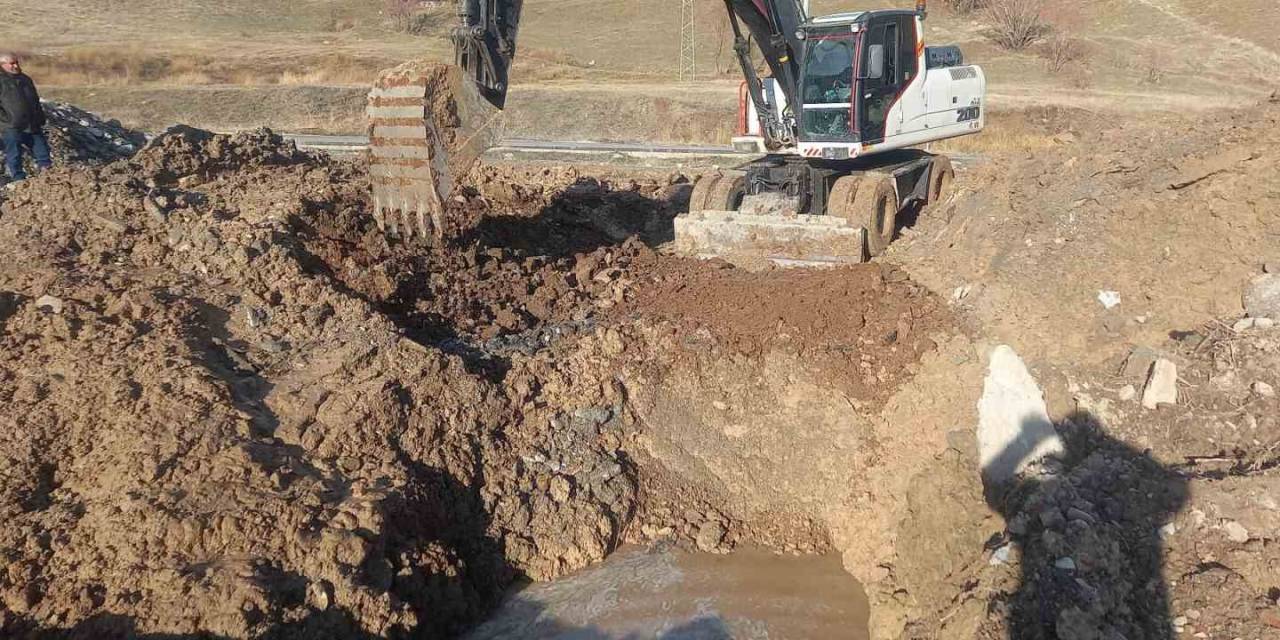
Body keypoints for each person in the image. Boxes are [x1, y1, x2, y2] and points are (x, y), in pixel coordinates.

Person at [0, 53, 51, 181]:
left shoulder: (25, 79)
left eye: (16, 62)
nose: (16, 66)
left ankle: (48, 178)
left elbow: (35, 100)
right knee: (15, 155)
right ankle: (19, 181)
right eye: (12, 63)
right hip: (11, 126)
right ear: (2, 65)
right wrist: (5, 121)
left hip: (32, 124)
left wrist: (40, 117)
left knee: (43, 153)